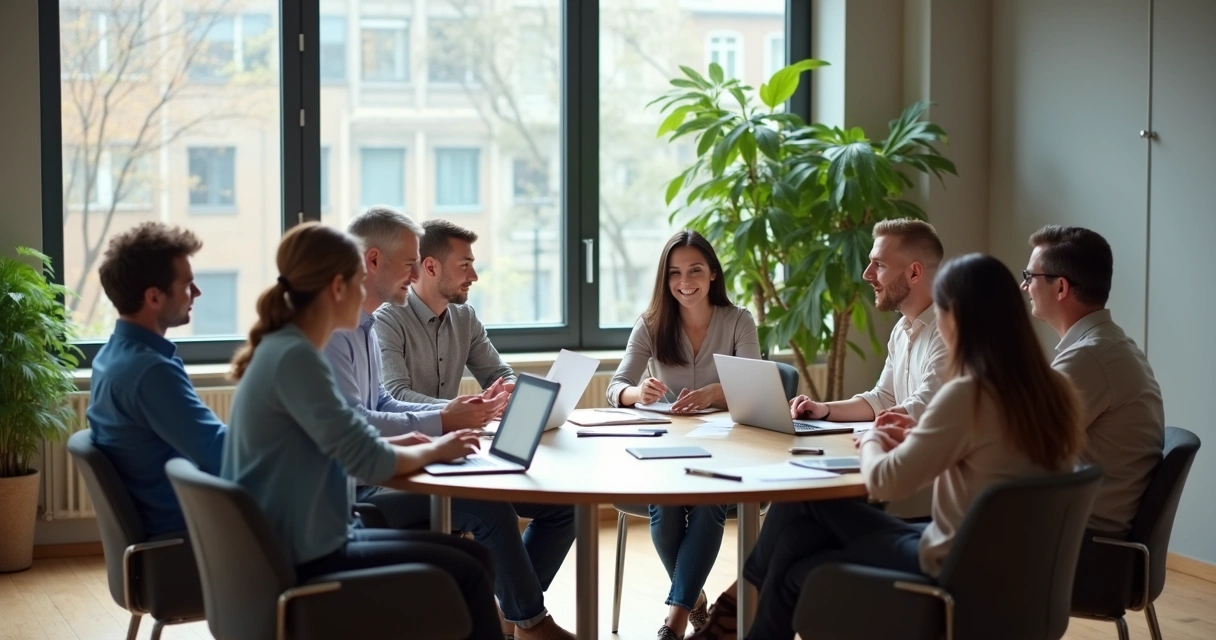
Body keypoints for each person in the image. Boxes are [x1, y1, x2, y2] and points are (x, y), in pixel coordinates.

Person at [690, 253, 1082, 640]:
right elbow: (991, 452)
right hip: (1011, 566)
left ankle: (735, 610)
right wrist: (923, 435)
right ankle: (732, 618)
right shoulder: (1055, 389)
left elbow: (886, 484)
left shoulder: (969, 394)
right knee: (796, 533)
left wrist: (874, 436)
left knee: (798, 550)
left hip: (954, 565)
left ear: (956, 317)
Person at [222, 222, 500, 639]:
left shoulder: (285, 349)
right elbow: (366, 460)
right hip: (303, 557)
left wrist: (415, 442)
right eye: (357, 282)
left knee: (471, 560)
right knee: (470, 569)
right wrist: (435, 449)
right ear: (337, 287)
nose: (364, 294)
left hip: (300, 543)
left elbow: (348, 436)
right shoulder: (299, 359)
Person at [326, 207, 578, 640]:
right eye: (409, 262)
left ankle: (514, 614)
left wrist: (503, 394)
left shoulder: (367, 325)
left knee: (561, 507)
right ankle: (534, 623)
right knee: (486, 504)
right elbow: (368, 414)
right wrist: (446, 418)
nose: (474, 276)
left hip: (405, 459)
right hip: (367, 486)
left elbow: (381, 401)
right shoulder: (360, 325)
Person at [606, 230, 761, 640]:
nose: (684, 281)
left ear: (713, 273)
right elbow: (614, 386)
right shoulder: (651, 324)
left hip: (727, 455)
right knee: (666, 504)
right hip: (667, 454)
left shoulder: (739, 320)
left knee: (709, 505)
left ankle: (674, 622)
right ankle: (693, 602)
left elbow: (756, 389)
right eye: (674, 273)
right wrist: (637, 392)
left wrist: (716, 392)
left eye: (694, 270)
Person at [87, 222, 226, 537]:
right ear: (154, 297)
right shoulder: (150, 371)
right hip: (189, 531)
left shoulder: (110, 357)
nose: (197, 292)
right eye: (188, 284)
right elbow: (218, 453)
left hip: (173, 519)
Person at [1022, 224, 1164, 534]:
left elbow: (1020, 443)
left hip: (1081, 541)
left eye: (1029, 277)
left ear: (1061, 288)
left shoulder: (1091, 358)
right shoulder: (1104, 346)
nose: (1025, 287)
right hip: (1076, 528)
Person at [788, 218, 949, 423]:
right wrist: (822, 409)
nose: (866, 274)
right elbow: (883, 399)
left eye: (879, 265)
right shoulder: (901, 329)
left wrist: (875, 433)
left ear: (914, 272)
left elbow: (927, 405)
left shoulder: (950, 330)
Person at [375, 219, 515, 404]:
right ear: (431, 267)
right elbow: (396, 396)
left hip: (454, 432)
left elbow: (498, 374)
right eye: (464, 266)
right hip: (409, 432)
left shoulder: (465, 317)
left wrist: (506, 390)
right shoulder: (386, 321)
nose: (474, 276)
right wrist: (463, 409)